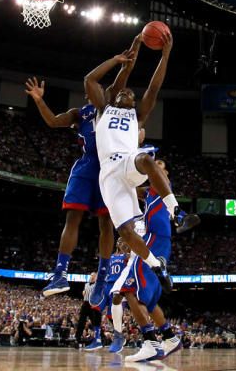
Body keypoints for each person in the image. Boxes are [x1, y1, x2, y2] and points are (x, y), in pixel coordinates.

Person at [86, 32, 198, 293]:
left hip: (127, 161)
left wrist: (166, 55)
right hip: (109, 174)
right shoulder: (103, 108)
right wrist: (124, 54)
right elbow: (89, 79)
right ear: (114, 96)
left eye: (132, 94)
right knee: (125, 232)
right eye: (123, 91)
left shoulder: (137, 116)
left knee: (146, 158)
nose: (128, 93)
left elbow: (154, 87)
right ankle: (157, 266)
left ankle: (177, 213)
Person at [26, 63, 132, 296]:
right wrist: (39, 100)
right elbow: (54, 121)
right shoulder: (80, 113)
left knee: (105, 223)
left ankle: (102, 279)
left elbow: (121, 81)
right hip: (86, 167)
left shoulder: (111, 107)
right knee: (72, 218)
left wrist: (125, 63)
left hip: (108, 168)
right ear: (88, 95)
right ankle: (60, 274)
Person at [116, 157, 184, 362]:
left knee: (129, 290)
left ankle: (150, 342)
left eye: (160, 165)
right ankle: (170, 338)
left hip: (154, 239)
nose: (155, 166)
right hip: (158, 240)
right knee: (151, 301)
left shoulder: (163, 183)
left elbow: (152, 174)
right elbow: (132, 189)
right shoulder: (149, 191)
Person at [92, 238, 130, 353]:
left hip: (119, 286)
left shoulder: (127, 256)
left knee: (112, 316)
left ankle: (119, 335)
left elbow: (132, 260)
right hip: (107, 285)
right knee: (95, 307)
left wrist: (127, 248)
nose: (119, 242)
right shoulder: (111, 256)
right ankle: (97, 338)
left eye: (123, 240)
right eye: (118, 240)